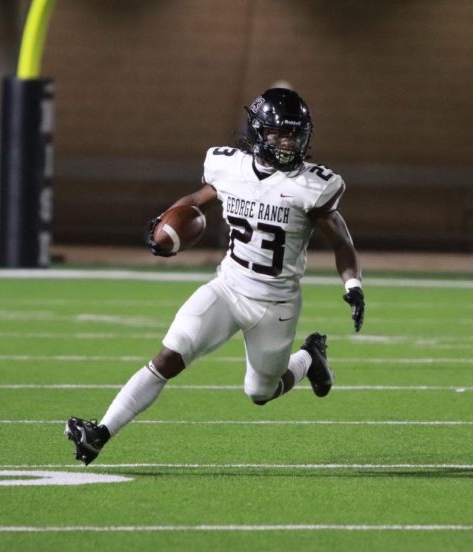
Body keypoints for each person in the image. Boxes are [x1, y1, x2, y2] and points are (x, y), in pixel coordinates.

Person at [65, 87, 366, 465]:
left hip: (276, 304)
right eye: (279, 134)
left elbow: (341, 240)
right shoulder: (229, 167)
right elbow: (194, 201)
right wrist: (163, 226)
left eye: (295, 134)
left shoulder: (313, 185)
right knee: (170, 356)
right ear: (258, 133)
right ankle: (100, 432)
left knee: (260, 391)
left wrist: (352, 284)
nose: (288, 142)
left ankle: (308, 359)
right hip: (227, 286)